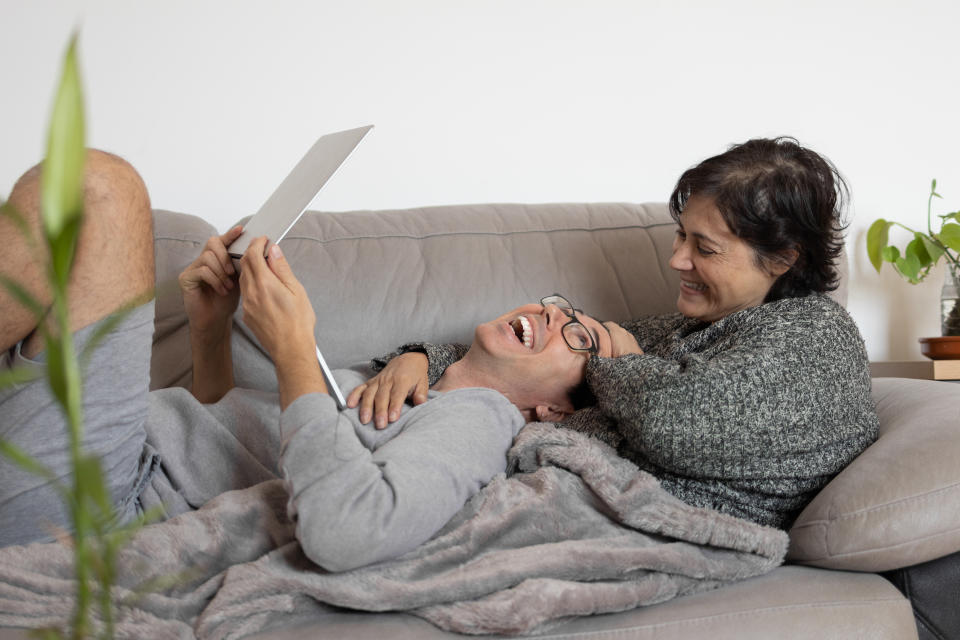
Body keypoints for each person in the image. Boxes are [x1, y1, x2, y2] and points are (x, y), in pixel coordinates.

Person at [0, 151, 611, 571]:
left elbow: (352, 530)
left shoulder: (480, 420)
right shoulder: (402, 390)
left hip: (104, 495)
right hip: (122, 454)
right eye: (562, 306)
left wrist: (293, 348)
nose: (558, 316)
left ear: (553, 411)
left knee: (99, 187)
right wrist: (211, 332)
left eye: (578, 338)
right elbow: (223, 444)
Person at [351, 137, 880, 530]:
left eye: (705, 247)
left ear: (782, 259)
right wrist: (421, 358)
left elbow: (674, 423)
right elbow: (538, 349)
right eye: (680, 235)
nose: (676, 259)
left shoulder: (816, 338)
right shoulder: (691, 327)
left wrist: (620, 364)